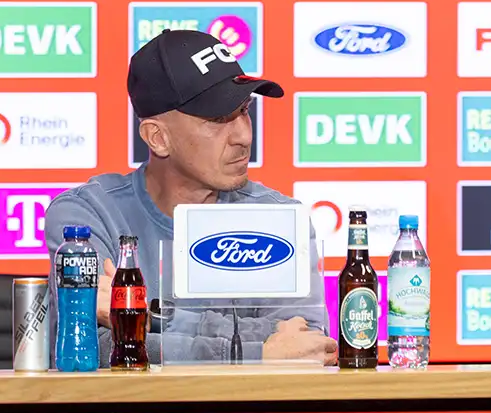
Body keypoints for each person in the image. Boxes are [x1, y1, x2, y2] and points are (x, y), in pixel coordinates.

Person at [44, 29, 337, 366]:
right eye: (217, 119)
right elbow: (91, 347)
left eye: (244, 110)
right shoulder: (88, 216)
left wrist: (145, 318)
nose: (243, 135)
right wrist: (251, 350)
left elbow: (306, 346)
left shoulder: (282, 217)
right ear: (158, 138)